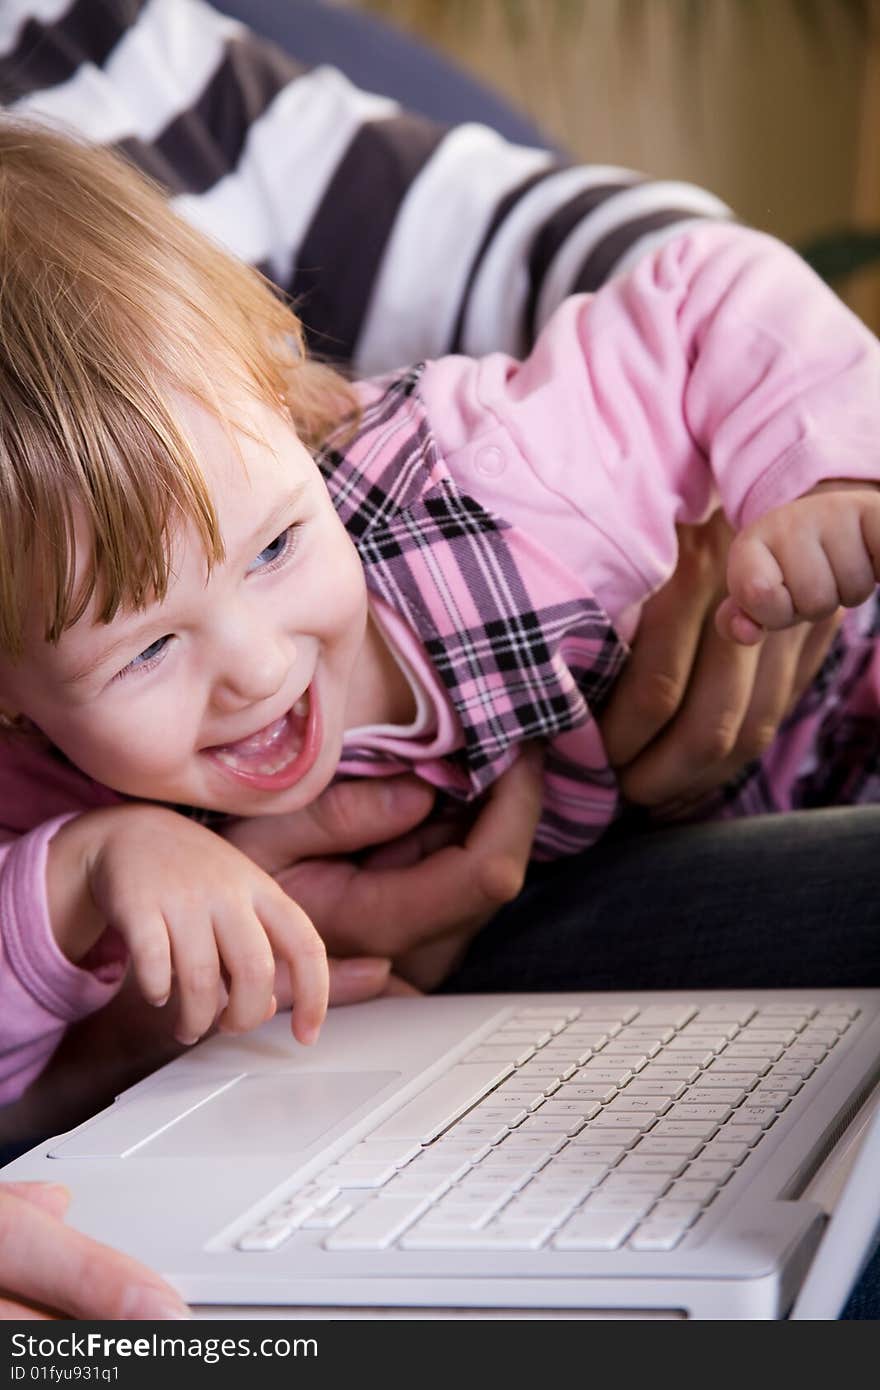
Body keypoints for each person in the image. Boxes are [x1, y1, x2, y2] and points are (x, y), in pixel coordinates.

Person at [2, 0, 875, 1321]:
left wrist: (821, 471)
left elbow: (701, 290)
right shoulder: (50, 794)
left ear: (298, 403)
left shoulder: (501, 467)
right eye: (148, 648)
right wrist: (77, 884)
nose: (252, 666)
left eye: (280, 545)